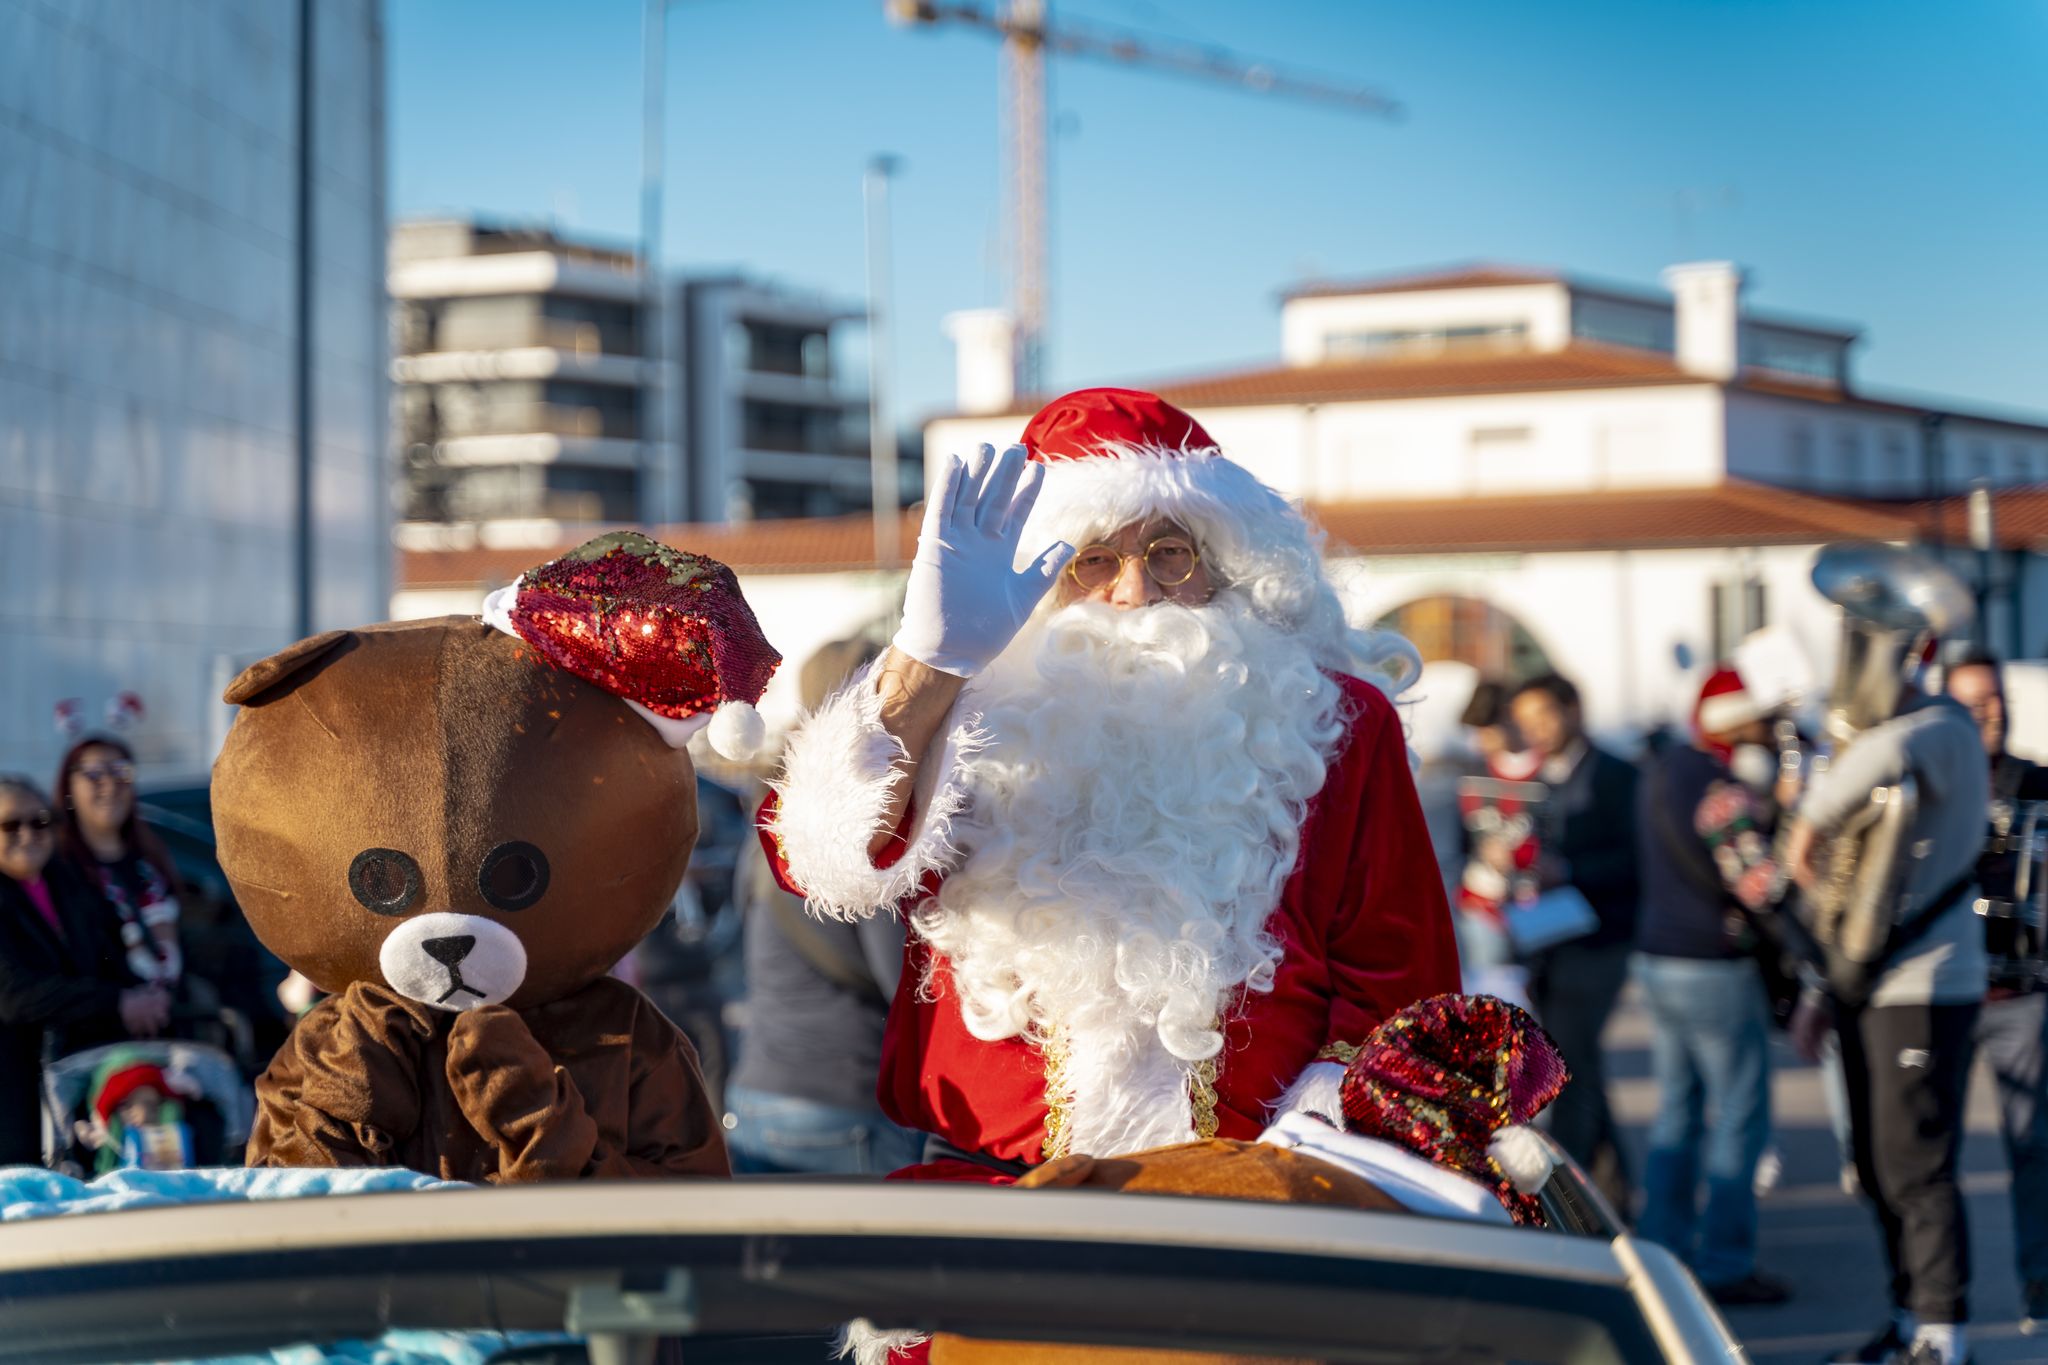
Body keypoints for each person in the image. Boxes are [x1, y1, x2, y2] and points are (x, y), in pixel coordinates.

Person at [760, 387, 1459, 1179]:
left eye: (1169, 552)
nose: (1134, 593)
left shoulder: (1330, 716)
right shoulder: (963, 705)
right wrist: (927, 666)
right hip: (993, 1188)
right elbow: (820, 862)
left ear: (1222, 564)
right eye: (1095, 559)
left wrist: (1308, 1142)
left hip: (1257, 1189)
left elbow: (1400, 974)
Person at [1784, 544, 1987, 1365]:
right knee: (1873, 1162)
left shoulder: (1942, 728)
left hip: (1928, 985)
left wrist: (1807, 819)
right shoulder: (1902, 734)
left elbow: (1877, 759)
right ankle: (1909, 1319)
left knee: (1916, 1165)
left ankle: (1945, 1332)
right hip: (1879, 982)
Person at [724, 637, 924, 1175]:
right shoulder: (858, 825)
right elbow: (903, 986)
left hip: (759, 1091)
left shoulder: (777, 812)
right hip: (844, 1108)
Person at [1631, 666, 1791, 1306]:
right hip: (1713, 964)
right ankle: (1726, 1262)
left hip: (1658, 958)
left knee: (1678, 1112)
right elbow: (1759, 884)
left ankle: (1661, 1255)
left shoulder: (1663, 771)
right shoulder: (1721, 787)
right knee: (1740, 1114)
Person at [1943, 650, 2048, 1334]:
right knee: (1929, 1160)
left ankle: (2039, 1287)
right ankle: (1937, 1306)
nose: (1988, 712)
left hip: (2024, 995)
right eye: (1971, 701)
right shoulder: (1929, 782)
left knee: (2035, 1148)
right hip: (1943, 994)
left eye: (1995, 698)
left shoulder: (2038, 780)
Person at [1507, 671, 1639, 1209]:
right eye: (1527, 720)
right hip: (1551, 937)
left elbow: (1635, 860)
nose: (1535, 729)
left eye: (1544, 715)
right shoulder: (1542, 777)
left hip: (1600, 939)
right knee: (1580, 1066)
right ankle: (1613, 1194)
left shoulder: (1616, 774)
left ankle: (1572, 1202)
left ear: (1573, 709)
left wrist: (1569, 869)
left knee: (1571, 1069)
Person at [0, 775, 170, 1165]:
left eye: (39, 822)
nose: (28, 834)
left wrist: (143, 996)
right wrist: (117, 1002)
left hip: (73, 1076)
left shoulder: (66, 882)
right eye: (11, 825)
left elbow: (105, 958)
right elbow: (14, 995)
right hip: (14, 1089)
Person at [53, 737, 183, 989]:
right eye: (94, 774)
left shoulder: (152, 855)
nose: (111, 785)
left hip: (175, 1014)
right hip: (106, 1019)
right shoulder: (59, 867)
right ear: (68, 787)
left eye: (121, 771)